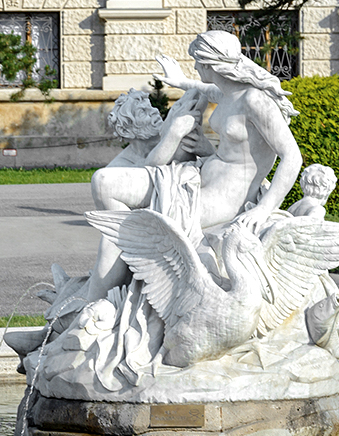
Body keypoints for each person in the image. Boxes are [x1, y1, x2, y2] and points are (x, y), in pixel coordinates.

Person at [77, 30, 303, 307]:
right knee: (104, 182)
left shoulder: (256, 101)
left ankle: (93, 308)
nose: (195, 66)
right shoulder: (228, 94)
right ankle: (122, 265)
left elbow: (292, 157)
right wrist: (180, 81)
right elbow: (206, 90)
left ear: (211, 63)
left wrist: (264, 208)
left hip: (220, 200)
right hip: (194, 178)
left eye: (197, 61)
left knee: (119, 230)